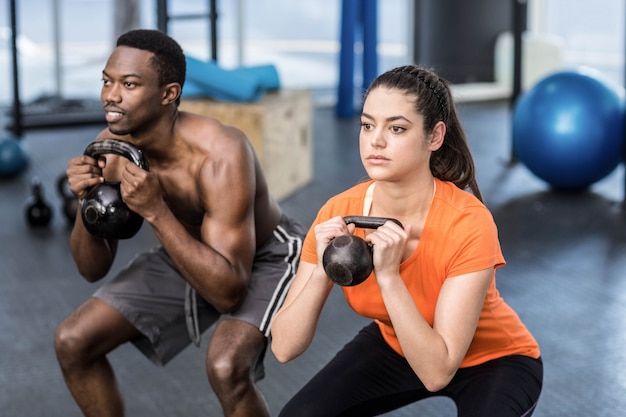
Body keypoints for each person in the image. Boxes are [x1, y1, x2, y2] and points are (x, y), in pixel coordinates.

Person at [53, 29, 305, 417]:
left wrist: (155, 211)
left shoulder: (220, 153)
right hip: (186, 248)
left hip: (265, 255)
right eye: (107, 81)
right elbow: (92, 268)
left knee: (226, 368)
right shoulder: (113, 150)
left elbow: (227, 294)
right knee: (73, 341)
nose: (110, 96)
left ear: (168, 94)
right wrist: (86, 202)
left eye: (129, 84)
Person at [271, 65, 543, 417]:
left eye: (396, 128)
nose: (376, 141)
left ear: (435, 137)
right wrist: (323, 269)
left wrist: (388, 276)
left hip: (496, 360)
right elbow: (284, 347)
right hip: (397, 345)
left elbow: (437, 372)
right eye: (367, 125)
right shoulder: (338, 213)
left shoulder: (467, 222)